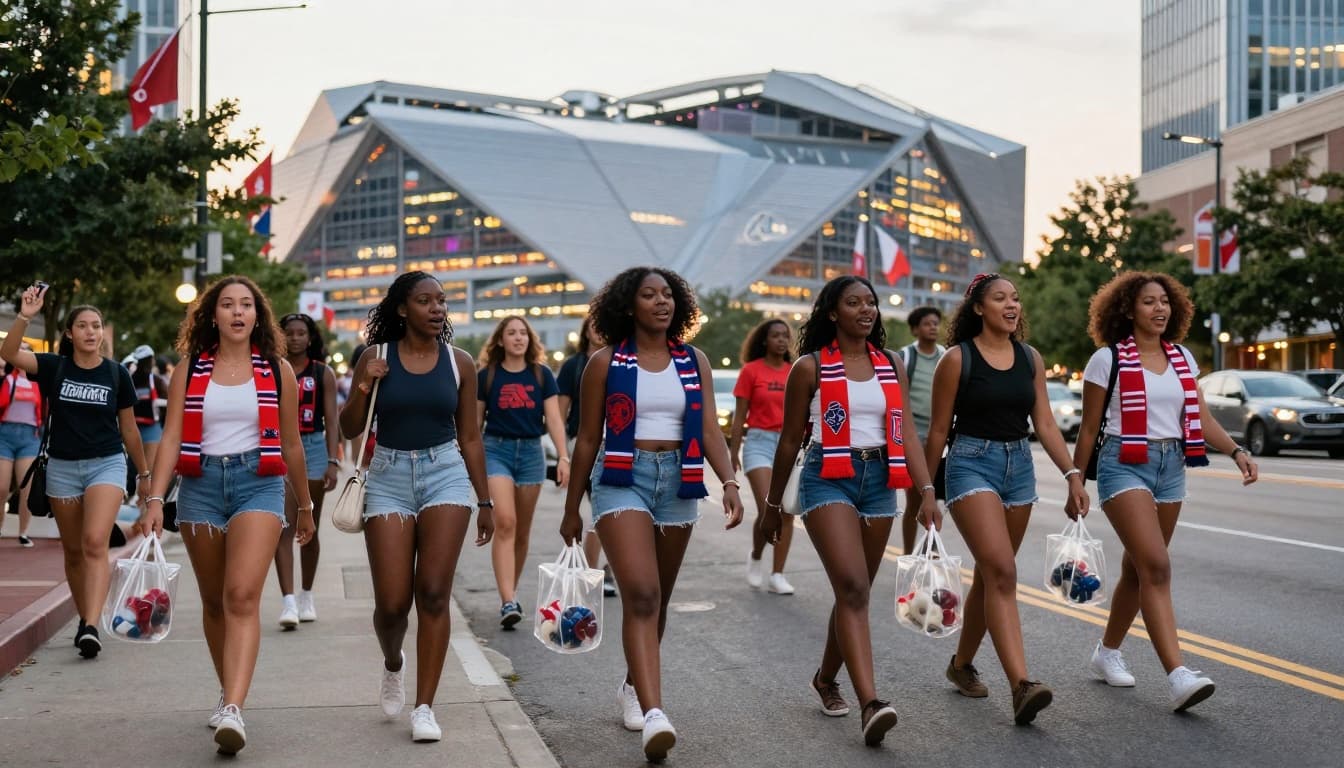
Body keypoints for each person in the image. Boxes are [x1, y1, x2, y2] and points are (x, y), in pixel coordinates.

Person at [559, 266, 743, 763]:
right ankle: (655, 712)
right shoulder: (604, 363)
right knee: (640, 592)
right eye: (648, 295)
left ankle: (631, 685)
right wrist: (573, 506)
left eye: (667, 295)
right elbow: (589, 440)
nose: (660, 302)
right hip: (622, 479)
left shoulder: (694, 360)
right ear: (629, 305)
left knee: (656, 600)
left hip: (678, 481)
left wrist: (728, 480)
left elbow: (707, 427)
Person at [139, 276, 315, 755]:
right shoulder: (189, 370)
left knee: (241, 597)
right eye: (227, 305)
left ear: (258, 316)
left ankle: (234, 708)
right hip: (199, 489)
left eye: (246, 305)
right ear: (211, 316)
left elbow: (294, 443)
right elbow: (172, 438)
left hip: (258, 482)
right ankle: (226, 690)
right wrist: (155, 500)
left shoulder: (277, 370)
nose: (238, 312)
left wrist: (304, 504)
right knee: (214, 602)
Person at [759, 275, 937, 747]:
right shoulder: (810, 367)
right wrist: (772, 507)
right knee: (853, 586)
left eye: (871, 302)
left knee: (853, 593)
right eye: (854, 302)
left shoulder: (892, 363)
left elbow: (909, 435)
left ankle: (825, 678)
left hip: (881, 481)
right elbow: (790, 440)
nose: (866, 309)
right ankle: (871, 703)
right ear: (832, 313)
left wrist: (926, 490)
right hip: (827, 478)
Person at [1071, 272, 1257, 712]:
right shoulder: (1107, 360)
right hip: (1123, 464)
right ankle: (1178, 675)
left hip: (1172, 467)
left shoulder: (1182, 359)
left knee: (1139, 571)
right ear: (1127, 310)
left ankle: (1107, 652)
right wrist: (1075, 478)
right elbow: (1090, 427)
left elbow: (1203, 420)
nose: (1159, 309)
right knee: (1156, 565)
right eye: (1148, 302)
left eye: (1165, 302)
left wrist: (1236, 450)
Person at [921, 272, 1088, 726]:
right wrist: (927, 490)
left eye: (1015, 298)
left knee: (993, 576)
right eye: (1000, 299)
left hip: (1020, 469)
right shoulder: (956, 360)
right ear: (979, 308)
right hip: (971, 464)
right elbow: (937, 430)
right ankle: (1022, 685)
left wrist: (1073, 474)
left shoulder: (1030, 358)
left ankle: (960, 665)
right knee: (1002, 571)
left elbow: (1047, 424)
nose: (1011, 305)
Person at [339, 270, 493, 745]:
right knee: (391, 604)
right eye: (425, 301)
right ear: (403, 309)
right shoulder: (376, 356)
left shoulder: (459, 362)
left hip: (445, 472)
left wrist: (484, 498)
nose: (436, 309)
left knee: (432, 592)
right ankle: (393, 662)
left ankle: (425, 707)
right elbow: (348, 429)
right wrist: (364, 384)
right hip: (387, 476)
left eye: (442, 301)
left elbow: (469, 435)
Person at [1, 289, 151, 659]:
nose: (90, 332)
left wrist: (145, 473)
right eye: (82, 326)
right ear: (70, 333)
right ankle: (87, 615)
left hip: (106, 463)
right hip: (63, 468)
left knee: (95, 541)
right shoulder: (55, 367)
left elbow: (129, 430)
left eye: (96, 326)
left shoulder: (116, 374)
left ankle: (90, 624)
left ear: (102, 333)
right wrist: (25, 315)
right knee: (72, 551)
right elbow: (9, 354)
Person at [476, 315, 569, 628]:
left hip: (531, 453)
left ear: (530, 340)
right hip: (496, 450)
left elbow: (555, 420)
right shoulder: (486, 376)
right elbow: (475, 427)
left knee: (521, 532)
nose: (518, 338)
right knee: (506, 522)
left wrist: (564, 458)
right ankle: (507, 600)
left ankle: (510, 594)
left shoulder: (541, 375)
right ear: (500, 340)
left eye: (523, 333)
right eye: (511, 333)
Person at [273, 313, 340, 628]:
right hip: (279, 447)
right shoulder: (271, 368)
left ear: (311, 338)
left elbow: (332, 418)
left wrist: (332, 460)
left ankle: (306, 594)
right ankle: (288, 601)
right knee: (283, 526)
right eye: (290, 333)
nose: (296, 338)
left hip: (312, 446)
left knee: (307, 522)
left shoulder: (322, 372)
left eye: (302, 333)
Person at [730, 318, 797, 595]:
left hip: (789, 445)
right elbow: (739, 417)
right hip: (758, 442)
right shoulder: (751, 371)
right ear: (764, 340)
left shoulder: (795, 370)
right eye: (776, 336)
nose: (782, 340)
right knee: (768, 506)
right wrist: (732, 453)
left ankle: (778, 574)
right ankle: (757, 555)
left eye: (785, 336)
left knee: (787, 511)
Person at [556, 316, 616, 596]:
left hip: (617, 440)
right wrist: (563, 450)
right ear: (585, 331)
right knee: (599, 509)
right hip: (584, 440)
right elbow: (560, 409)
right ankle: (593, 572)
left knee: (611, 511)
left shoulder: (621, 359)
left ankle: (607, 570)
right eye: (593, 325)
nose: (598, 329)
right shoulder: (574, 365)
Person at [898, 306, 945, 555]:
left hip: (940, 437)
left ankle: (931, 545)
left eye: (936, 323)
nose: (933, 327)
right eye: (927, 323)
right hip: (914, 437)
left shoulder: (946, 356)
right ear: (916, 329)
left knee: (934, 496)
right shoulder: (905, 357)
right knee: (915, 500)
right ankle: (908, 553)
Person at [1, 345, 43, 547]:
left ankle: (23, 532)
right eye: (19, 350)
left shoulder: (38, 383)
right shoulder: (6, 379)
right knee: (1, 488)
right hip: (4, 435)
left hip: (29, 437)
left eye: (27, 350)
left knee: (26, 488)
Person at [130, 344, 169, 481]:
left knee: (140, 471)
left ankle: (140, 499)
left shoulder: (130, 380)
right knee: (147, 472)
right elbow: (168, 402)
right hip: (144, 430)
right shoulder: (156, 380)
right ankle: (141, 500)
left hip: (135, 429)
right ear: (151, 360)